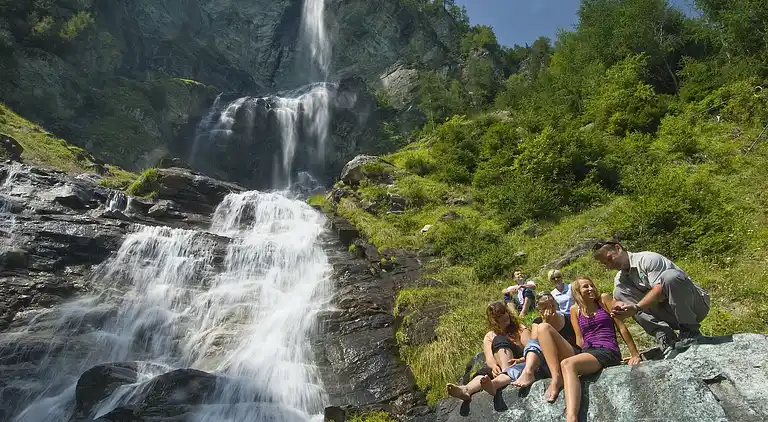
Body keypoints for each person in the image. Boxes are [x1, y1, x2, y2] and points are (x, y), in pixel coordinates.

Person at [591, 241, 711, 352]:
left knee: (671, 277)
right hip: (669, 313)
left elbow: (660, 289)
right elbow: (616, 299)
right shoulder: (620, 278)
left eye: (609, 259)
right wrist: (619, 307)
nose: (610, 266)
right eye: (605, 264)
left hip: (695, 307)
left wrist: (636, 307)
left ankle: (690, 330)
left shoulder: (648, 259)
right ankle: (664, 334)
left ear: (618, 248)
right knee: (619, 292)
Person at [561, 276, 642, 422]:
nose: (591, 289)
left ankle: (571, 418)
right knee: (567, 364)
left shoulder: (603, 300)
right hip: (589, 351)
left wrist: (635, 354)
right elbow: (580, 339)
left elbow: (622, 327)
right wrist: (579, 358)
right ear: (577, 291)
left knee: (567, 364)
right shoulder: (575, 310)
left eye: (591, 285)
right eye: (585, 287)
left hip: (607, 349)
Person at [481, 292, 581, 401]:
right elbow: (534, 344)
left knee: (543, 328)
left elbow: (579, 341)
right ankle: (495, 384)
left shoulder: (567, 318)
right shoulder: (537, 322)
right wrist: (523, 359)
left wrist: (546, 325)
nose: (550, 309)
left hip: (569, 355)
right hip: (549, 362)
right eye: (545, 307)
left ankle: (529, 371)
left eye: (552, 305)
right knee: (518, 367)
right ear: (540, 311)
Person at [446, 301, 528, 401]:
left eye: (505, 313)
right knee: (484, 373)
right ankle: (466, 389)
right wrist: (493, 366)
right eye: (500, 316)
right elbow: (489, 358)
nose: (505, 317)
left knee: (499, 339)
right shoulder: (490, 336)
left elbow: (530, 348)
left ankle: (503, 377)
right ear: (494, 320)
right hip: (500, 365)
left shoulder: (520, 329)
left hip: (517, 361)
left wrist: (521, 360)